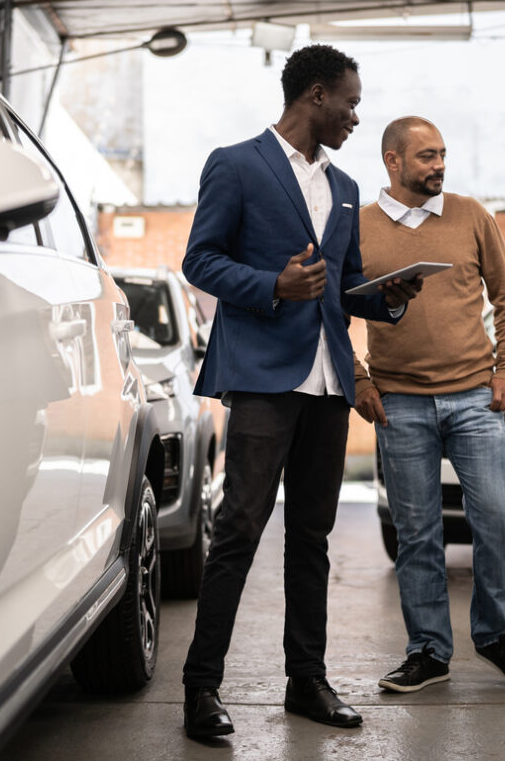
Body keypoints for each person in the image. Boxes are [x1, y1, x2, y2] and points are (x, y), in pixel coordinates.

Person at [179, 45, 421, 741]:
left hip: (326, 381)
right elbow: (200, 257)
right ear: (315, 95)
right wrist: (271, 285)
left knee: (311, 537)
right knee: (240, 529)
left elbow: (340, 283)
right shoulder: (237, 163)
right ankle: (202, 687)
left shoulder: (344, 185)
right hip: (262, 373)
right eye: (349, 101)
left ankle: (306, 680)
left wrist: (387, 296)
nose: (355, 115)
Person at [354, 116, 505, 696]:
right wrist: (359, 380)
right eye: (425, 157)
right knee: (417, 533)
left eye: (442, 154)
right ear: (393, 162)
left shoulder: (471, 215)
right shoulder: (359, 228)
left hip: (472, 397)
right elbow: (333, 314)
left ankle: (495, 636)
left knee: (498, 518)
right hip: (399, 404)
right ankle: (429, 652)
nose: (439, 165)